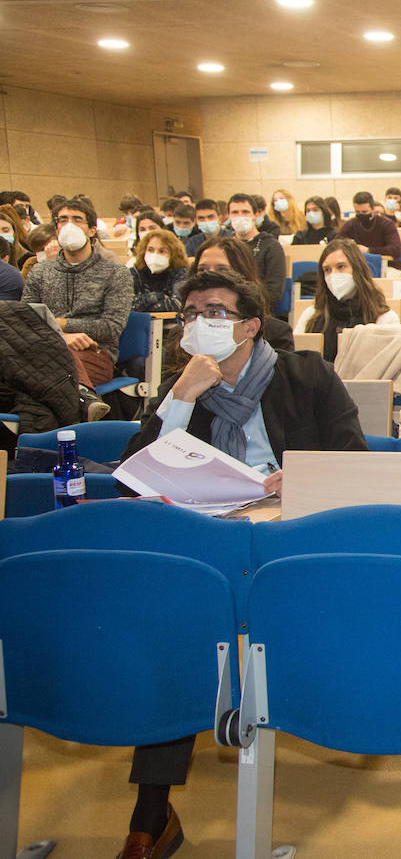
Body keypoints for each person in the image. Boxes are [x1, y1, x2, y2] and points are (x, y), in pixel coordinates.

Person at [116, 268, 365, 859]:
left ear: (252, 325)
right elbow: (131, 479)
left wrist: (299, 476)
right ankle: (152, 810)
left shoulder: (305, 374)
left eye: (217, 312)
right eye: (191, 313)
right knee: (175, 626)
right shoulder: (182, 389)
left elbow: (354, 458)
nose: (201, 322)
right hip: (208, 541)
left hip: (291, 538)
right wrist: (180, 399)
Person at [21, 197, 132, 416]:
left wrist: (62, 324)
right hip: (44, 351)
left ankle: (81, 398)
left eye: (77, 220)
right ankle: (81, 402)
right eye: (63, 220)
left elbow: (110, 328)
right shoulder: (41, 272)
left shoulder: (115, 273)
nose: (69, 225)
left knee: (47, 366)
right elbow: (25, 319)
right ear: (56, 229)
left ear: (92, 230)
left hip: (95, 353)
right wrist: (61, 335)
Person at [295, 237, 399, 360]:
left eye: (341, 266)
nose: (333, 275)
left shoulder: (384, 318)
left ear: (357, 269)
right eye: (327, 270)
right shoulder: (311, 315)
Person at [191, 237, 294, 352]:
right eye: (202, 270)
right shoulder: (184, 333)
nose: (209, 276)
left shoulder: (275, 333)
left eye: (222, 270)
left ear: (242, 274)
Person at [225, 192, 287, 310]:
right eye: (235, 212)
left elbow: (274, 291)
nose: (240, 216)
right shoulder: (224, 247)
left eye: (245, 212)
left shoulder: (271, 246)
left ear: (255, 215)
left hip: (258, 309)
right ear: (228, 216)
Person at [336, 191, 401, 269]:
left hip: (387, 266)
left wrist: (369, 250)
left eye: (364, 212)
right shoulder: (350, 224)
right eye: (357, 212)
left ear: (373, 209)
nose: (361, 214)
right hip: (359, 267)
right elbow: (336, 244)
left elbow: (396, 250)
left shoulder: (387, 224)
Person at [129, 229, 189, 313]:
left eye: (162, 251)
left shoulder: (181, 273)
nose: (155, 255)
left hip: (171, 324)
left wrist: (142, 304)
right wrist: (157, 296)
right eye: (150, 250)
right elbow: (125, 304)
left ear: (173, 255)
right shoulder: (133, 273)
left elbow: (177, 304)